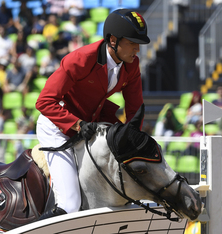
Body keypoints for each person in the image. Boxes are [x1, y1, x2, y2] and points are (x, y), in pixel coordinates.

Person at [35, 8, 149, 219]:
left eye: (138, 44)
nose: (137, 49)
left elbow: (135, 109)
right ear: (113, 40)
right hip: (57, 126)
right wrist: (77, 124)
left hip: (90, 125)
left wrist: (132, 141)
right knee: (70, 203)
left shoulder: (131, 65)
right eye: (133, 43)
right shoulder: (79, 59)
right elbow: (44, 102)